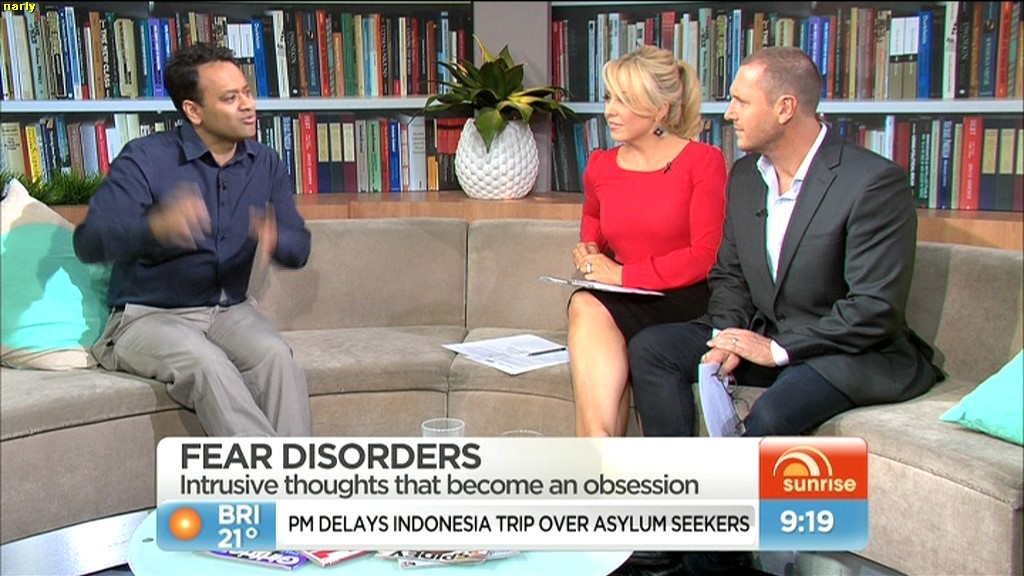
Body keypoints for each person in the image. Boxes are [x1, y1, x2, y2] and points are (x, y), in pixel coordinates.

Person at [624, 47, 941, 575]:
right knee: (653, 349)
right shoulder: (746, 176)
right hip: (766, 334)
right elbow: (731, 274)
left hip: (847, 350)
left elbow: (874, 307)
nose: (728, 113)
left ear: (785, 107)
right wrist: (728, 334)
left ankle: (712, 559)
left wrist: (777, 349)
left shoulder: (872, 182)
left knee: (773, 413)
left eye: (740, 101)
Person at [74, 43, 313, 437]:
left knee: (277, 358)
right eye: (230, 98)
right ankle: (272, 474)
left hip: (230, 311)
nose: (248, 105)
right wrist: (155, 227)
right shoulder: (145, 159)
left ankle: (294, 472)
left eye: (247, 92)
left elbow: (299, 248)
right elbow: (89, 242)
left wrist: (276, 238)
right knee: (209, 365)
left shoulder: (265, 162)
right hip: (149, 316)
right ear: (193, 110)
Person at [569, 45, 727, 438]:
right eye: (609, 97)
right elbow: (594, 215)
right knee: (585, 302)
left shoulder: (703, 162)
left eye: (624, 100)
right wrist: (590, 247)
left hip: (685, 299)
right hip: (625, 296)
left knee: (592, 308)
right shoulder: (601, 164)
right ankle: (599, 448)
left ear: (659, 110)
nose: (610, 111)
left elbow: (706, 256)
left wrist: (624, 275)